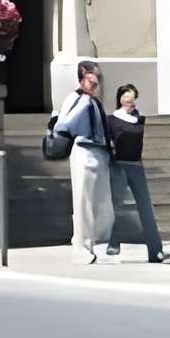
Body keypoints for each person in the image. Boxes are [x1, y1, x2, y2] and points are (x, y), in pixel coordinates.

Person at [52, 58, 113, 262]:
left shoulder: (94, 101)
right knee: (83, 201)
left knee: (98, 204)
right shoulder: (76, 99)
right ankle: (81, 247)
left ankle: (89, 243)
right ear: (81, 79)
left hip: (99, 153)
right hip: (83, 151)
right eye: (91, 78)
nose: (95, 82)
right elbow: (63, 125)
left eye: (97, 77)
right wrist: (84, 103)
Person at [104, 83, 170, 263]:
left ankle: (155, 251)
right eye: (126, 96)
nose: (129, 99)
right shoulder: (111, 119)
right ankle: (113, 242)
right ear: (119, 98)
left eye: (132, 97)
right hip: (119, 166)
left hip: (137, 166)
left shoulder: (139, 120)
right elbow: (107, 143)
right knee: (118, 206)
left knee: (146, 208)